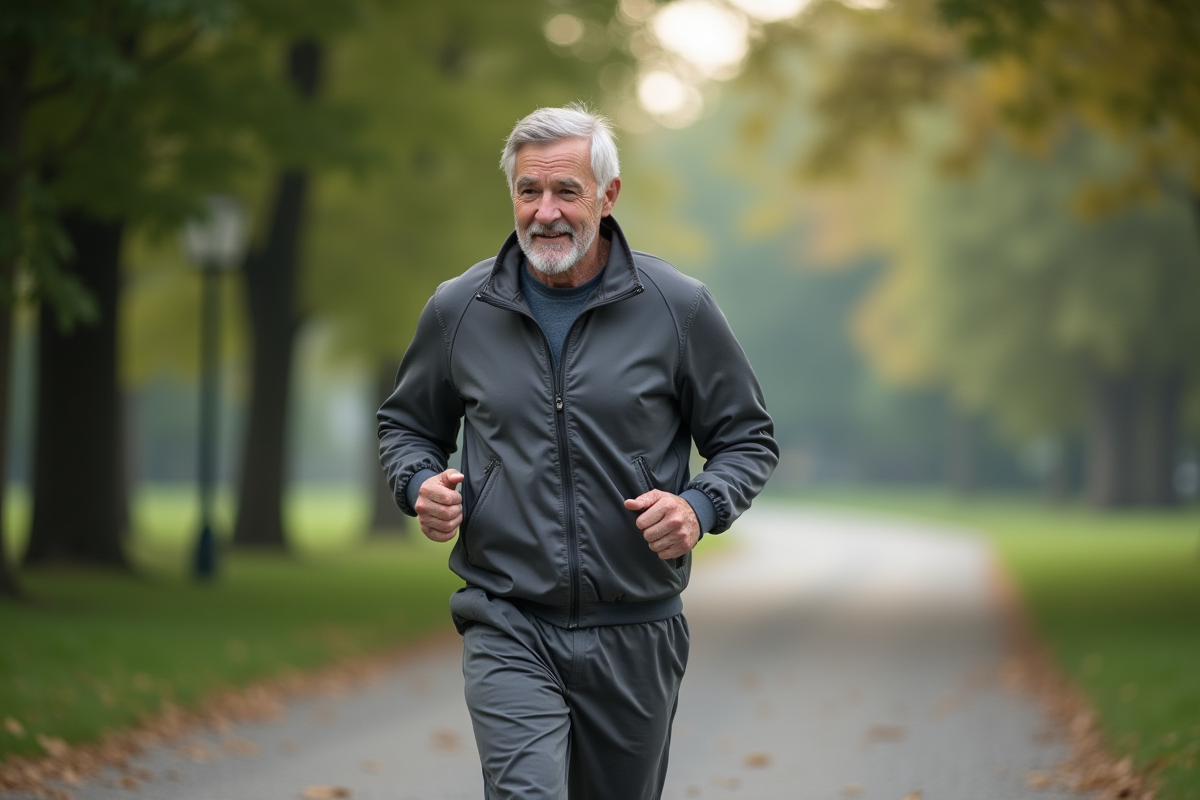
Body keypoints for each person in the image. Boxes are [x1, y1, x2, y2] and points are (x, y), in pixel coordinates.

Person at [378, 103, 778, 800]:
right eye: (529, 190)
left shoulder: (677, 307)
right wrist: (419, 485)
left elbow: (747, 437)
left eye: (566, 190)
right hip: (508, 619)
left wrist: (699, 507)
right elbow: (406, 426)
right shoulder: (459, 309)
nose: (546, 212)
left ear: (607, 195)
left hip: (637, 629)